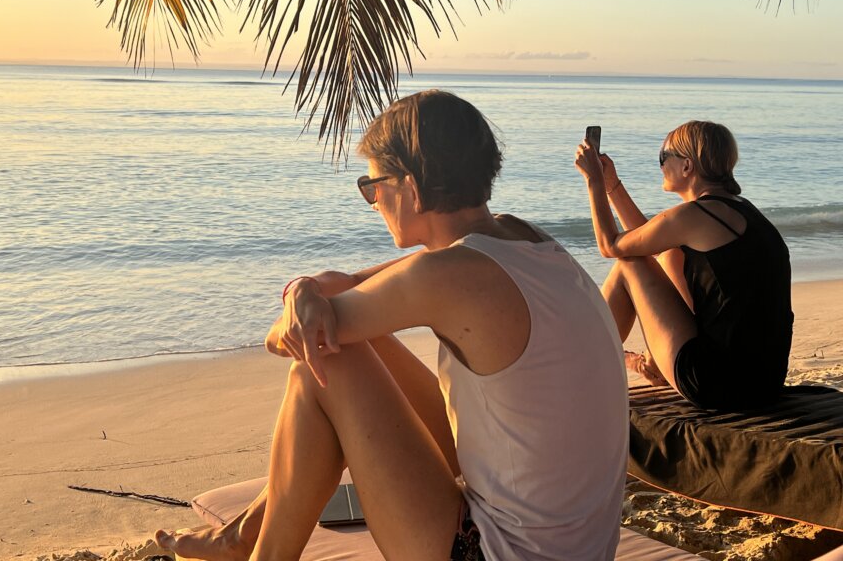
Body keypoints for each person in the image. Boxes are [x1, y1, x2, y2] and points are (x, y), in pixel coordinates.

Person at [155, 90, 628, 561]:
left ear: (412, 189)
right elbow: (350, 286)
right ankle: (240, 537)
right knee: (356, 338)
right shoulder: (519, 238)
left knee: (321, 365)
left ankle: (261, 553)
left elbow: (286, 339)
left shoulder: (447, 276)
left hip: (498, 554)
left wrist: (302, 302)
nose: (373, 200)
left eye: (372, 186)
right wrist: (302, 287)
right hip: (573, 546)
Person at [574, 120, 793, 411]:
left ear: (687, 166)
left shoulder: (694, 215)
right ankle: (638, 361)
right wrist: (612, 185)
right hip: (762, 382)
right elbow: (651, 242)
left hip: (716, 382)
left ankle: (578, 370)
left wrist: (594, 183)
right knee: (669, 257)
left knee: (628, 264)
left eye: (664, 157)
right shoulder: (738, 210)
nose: (661, 165)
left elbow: (610, 245)